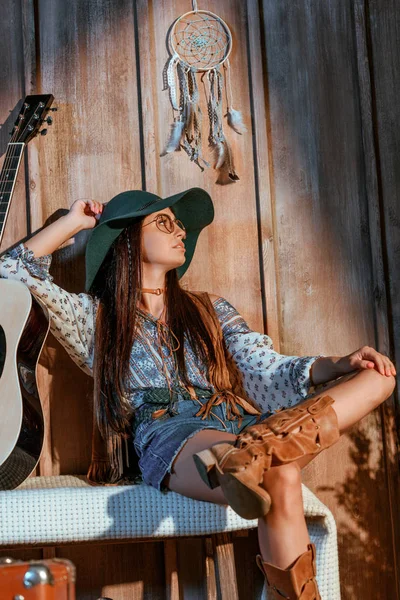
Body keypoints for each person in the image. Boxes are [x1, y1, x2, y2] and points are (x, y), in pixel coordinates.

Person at [0, 188, 395, 599]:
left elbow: (265, 368)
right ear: (127, 239)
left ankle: (258, 449)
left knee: (378, 378)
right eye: (164, 222)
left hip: (241, 421)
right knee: (280, 470)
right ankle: (253, 454)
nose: (181, 232)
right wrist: (76, 223)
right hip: (171, 431)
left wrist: (337, 364)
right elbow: (11, 269)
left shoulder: (210, 308)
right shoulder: (94, 318)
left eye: (181, 225)